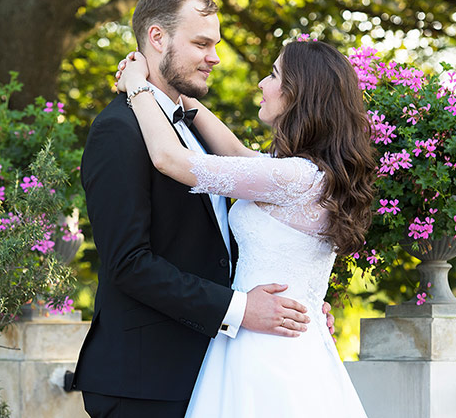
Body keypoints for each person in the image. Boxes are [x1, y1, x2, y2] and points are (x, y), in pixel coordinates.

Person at [71, 0, 328, 418]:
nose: (215, 58)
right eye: (202, 43)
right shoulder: (120, 130)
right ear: (157, 37)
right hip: (144, 380)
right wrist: (244, 308)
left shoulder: (195, 132)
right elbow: (129, 263)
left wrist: (299, 300)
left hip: (213, 370)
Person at [115, 37, 376, 417]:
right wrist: (181, 98)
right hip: (277, 339)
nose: (261, 85)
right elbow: (237, 155)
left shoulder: (295, 178)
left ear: (297, 94)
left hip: (268, 352)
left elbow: (169, 158)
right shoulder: (305, 173)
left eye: (273, 75)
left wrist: (138, 85)